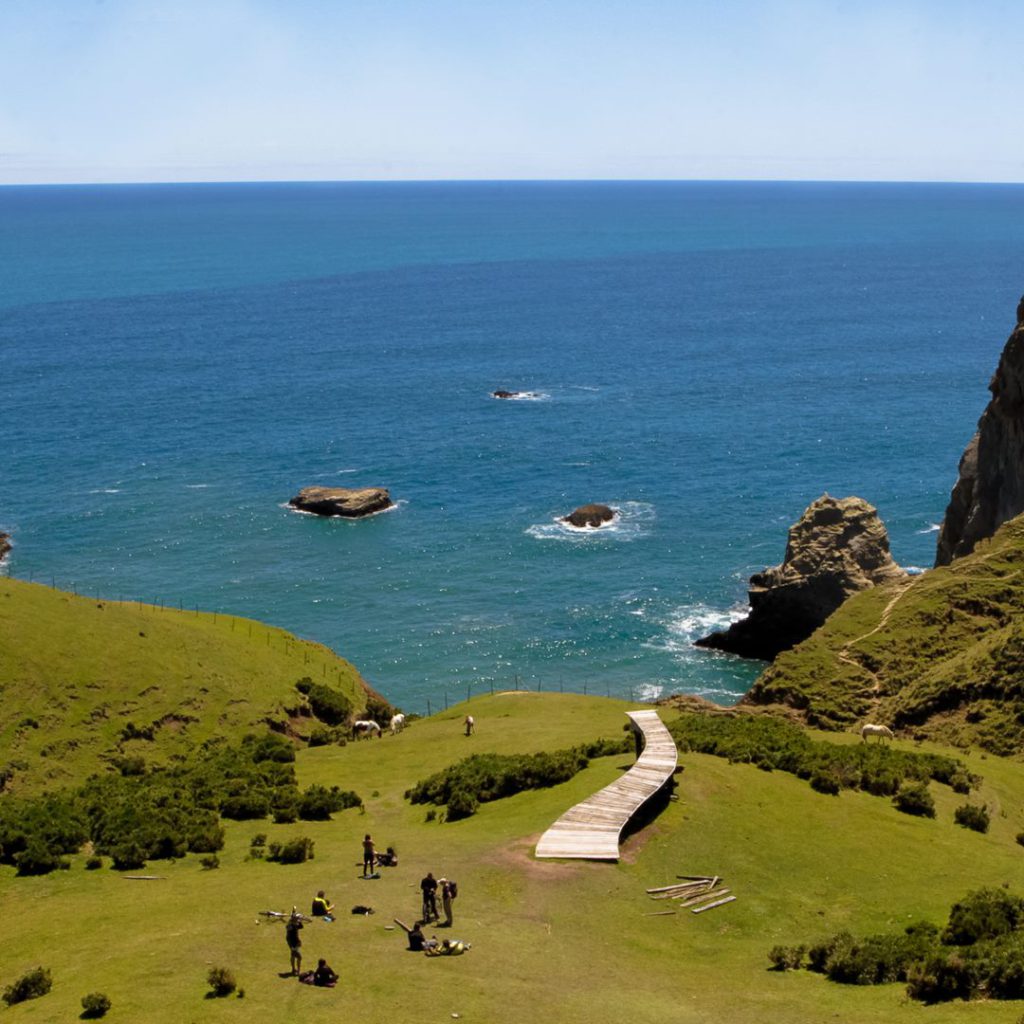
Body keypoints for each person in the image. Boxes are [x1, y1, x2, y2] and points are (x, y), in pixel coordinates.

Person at [285, 910, 304, 975]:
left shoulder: (294, 924)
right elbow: (290, 935)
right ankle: (298, 971)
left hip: (295, 942)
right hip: (293, 943)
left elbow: (301, 927)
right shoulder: (290, 926)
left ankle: (293, 969)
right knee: (299, 957)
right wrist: (293, 945)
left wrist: (299, 921)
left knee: (293, 956)